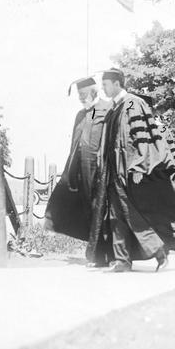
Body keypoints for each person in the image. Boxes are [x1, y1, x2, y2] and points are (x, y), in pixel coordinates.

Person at [92, 69, 175, 272]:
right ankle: (122, 260)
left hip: (131, 169)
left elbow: (146, 135)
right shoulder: (114, 108)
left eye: (105, 84)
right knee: (116, 215)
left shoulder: (133, 103)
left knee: (132, 214)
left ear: (116, 84)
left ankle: (159, 252)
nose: (102, 88)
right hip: (114, 171)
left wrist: (142, 164)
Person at [44, 77, 113, 267]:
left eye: (83, 95)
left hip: (101, 171)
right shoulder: (81, 115)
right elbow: (74, 145)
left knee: (103, 210)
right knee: (90, 211)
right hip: (83, 172)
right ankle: (98, 255)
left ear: (94, 92)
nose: (81, 99)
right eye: (79, 95)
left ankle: (105, 255)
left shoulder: (108, 109)